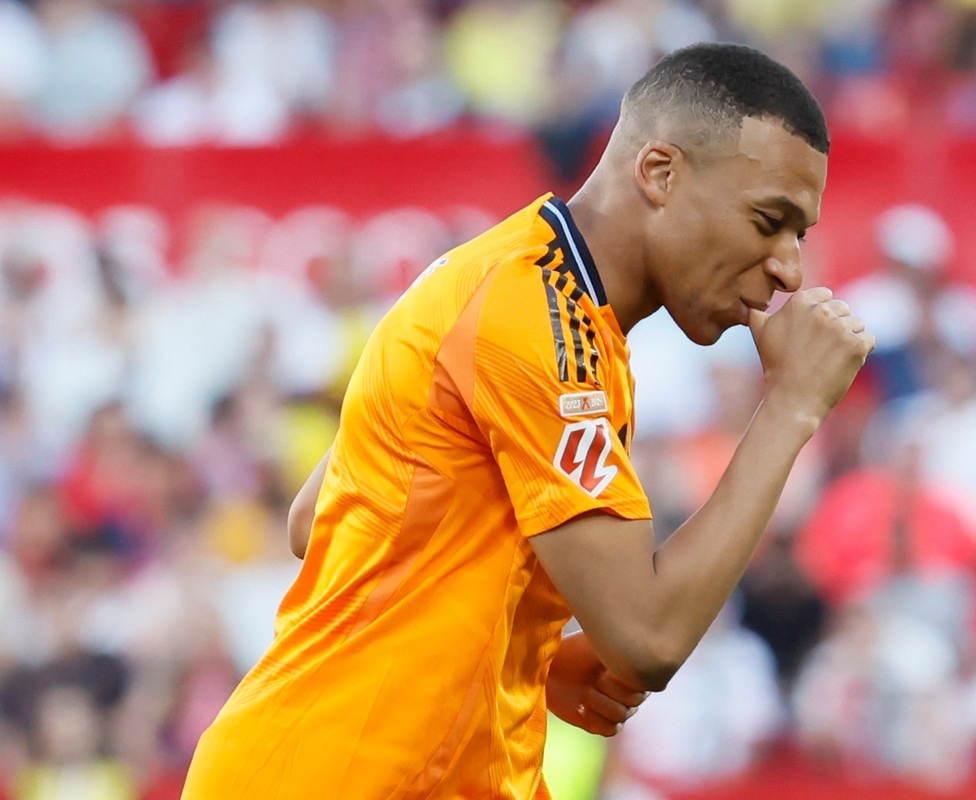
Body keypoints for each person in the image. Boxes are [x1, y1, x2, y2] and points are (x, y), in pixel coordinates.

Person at [181, 42, 873, 800]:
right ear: (660, 173)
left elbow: (318, 517)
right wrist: (790, 407)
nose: (788, 268)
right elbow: (646, 639)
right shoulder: (539, 323)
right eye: (768, 221)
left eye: (799, 236)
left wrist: (523, 655)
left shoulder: (510, 283)